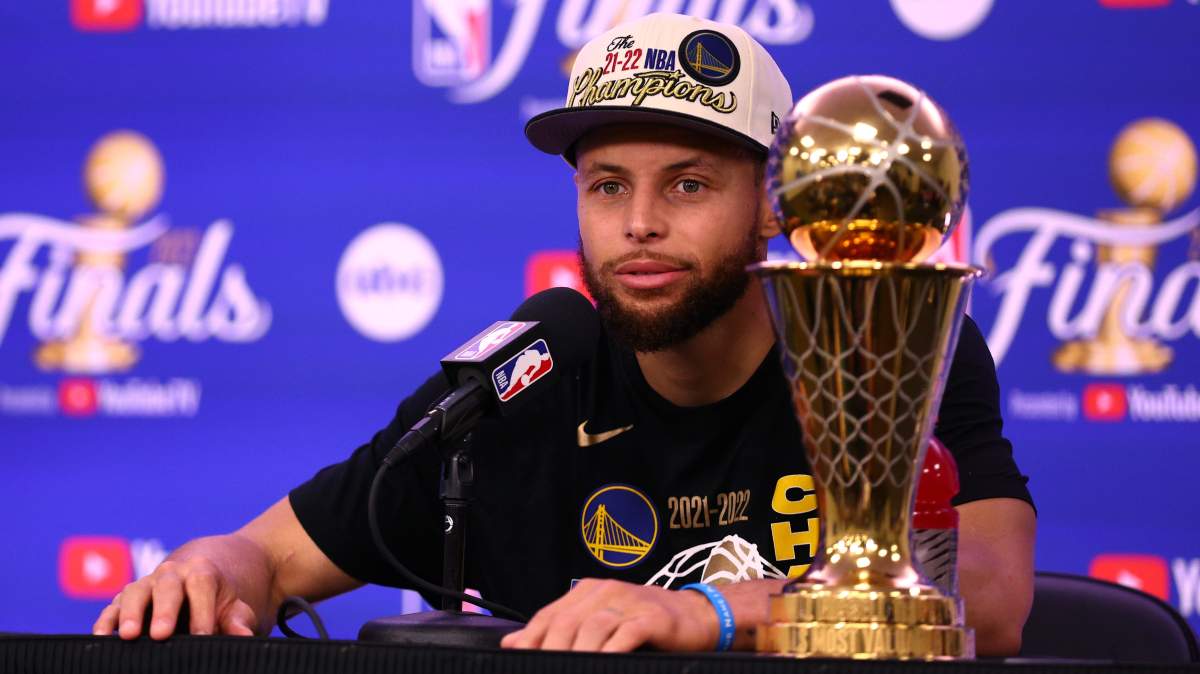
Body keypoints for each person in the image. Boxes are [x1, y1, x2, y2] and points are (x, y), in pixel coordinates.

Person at [93, 12, 1036, 656]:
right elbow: (267, 557)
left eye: (690, 184)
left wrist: (705, 615)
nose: (640, 224)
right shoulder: (531, 370)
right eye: (607, 186)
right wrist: (209, 568)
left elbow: (989, 601)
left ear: (771, 205)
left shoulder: (878, 346)